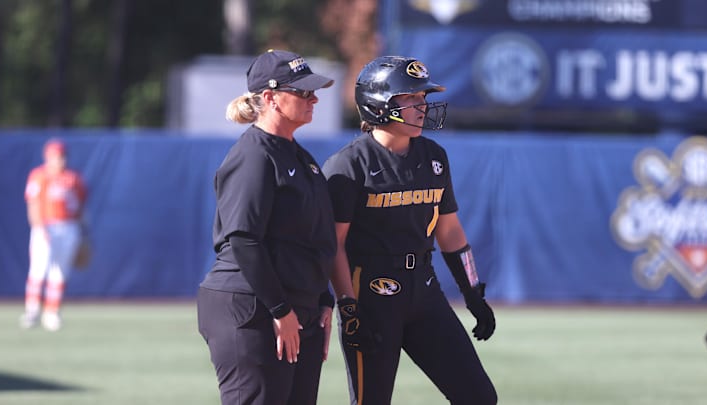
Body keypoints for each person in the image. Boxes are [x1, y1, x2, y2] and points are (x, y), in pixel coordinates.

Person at [322, 56, 498, 405]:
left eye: (423, 98)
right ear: (378, 104)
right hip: (372, 294)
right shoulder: (348, 166)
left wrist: (472, 292)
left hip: (424, 290)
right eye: (411, 98)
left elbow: (450, 232)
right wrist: (348, 306)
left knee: (479, 397)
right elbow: (334, 245)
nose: (422, 107)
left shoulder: (433, 156)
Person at [196, 49, 338, 405]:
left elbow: (313, 237)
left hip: (294, 307)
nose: (314, 98)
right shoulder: (253, 156)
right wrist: (280, 310)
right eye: (303, 92)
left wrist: (322, 300)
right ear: (271, 98)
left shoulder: (300, 158)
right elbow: (243, 239)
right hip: (252, 306)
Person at [20, 138, 87, 331]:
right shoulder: (38, 176)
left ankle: (52, 312)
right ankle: (32, 310)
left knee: (60, 272)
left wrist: (83, 233)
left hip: (69, 227)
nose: (60, 160)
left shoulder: (74, 178)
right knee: (38, 270)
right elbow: (32, 204)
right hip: (45, 226)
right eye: (56, 157)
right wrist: (39, 228)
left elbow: (81, 207)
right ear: (47, 157)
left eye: (62, 156)